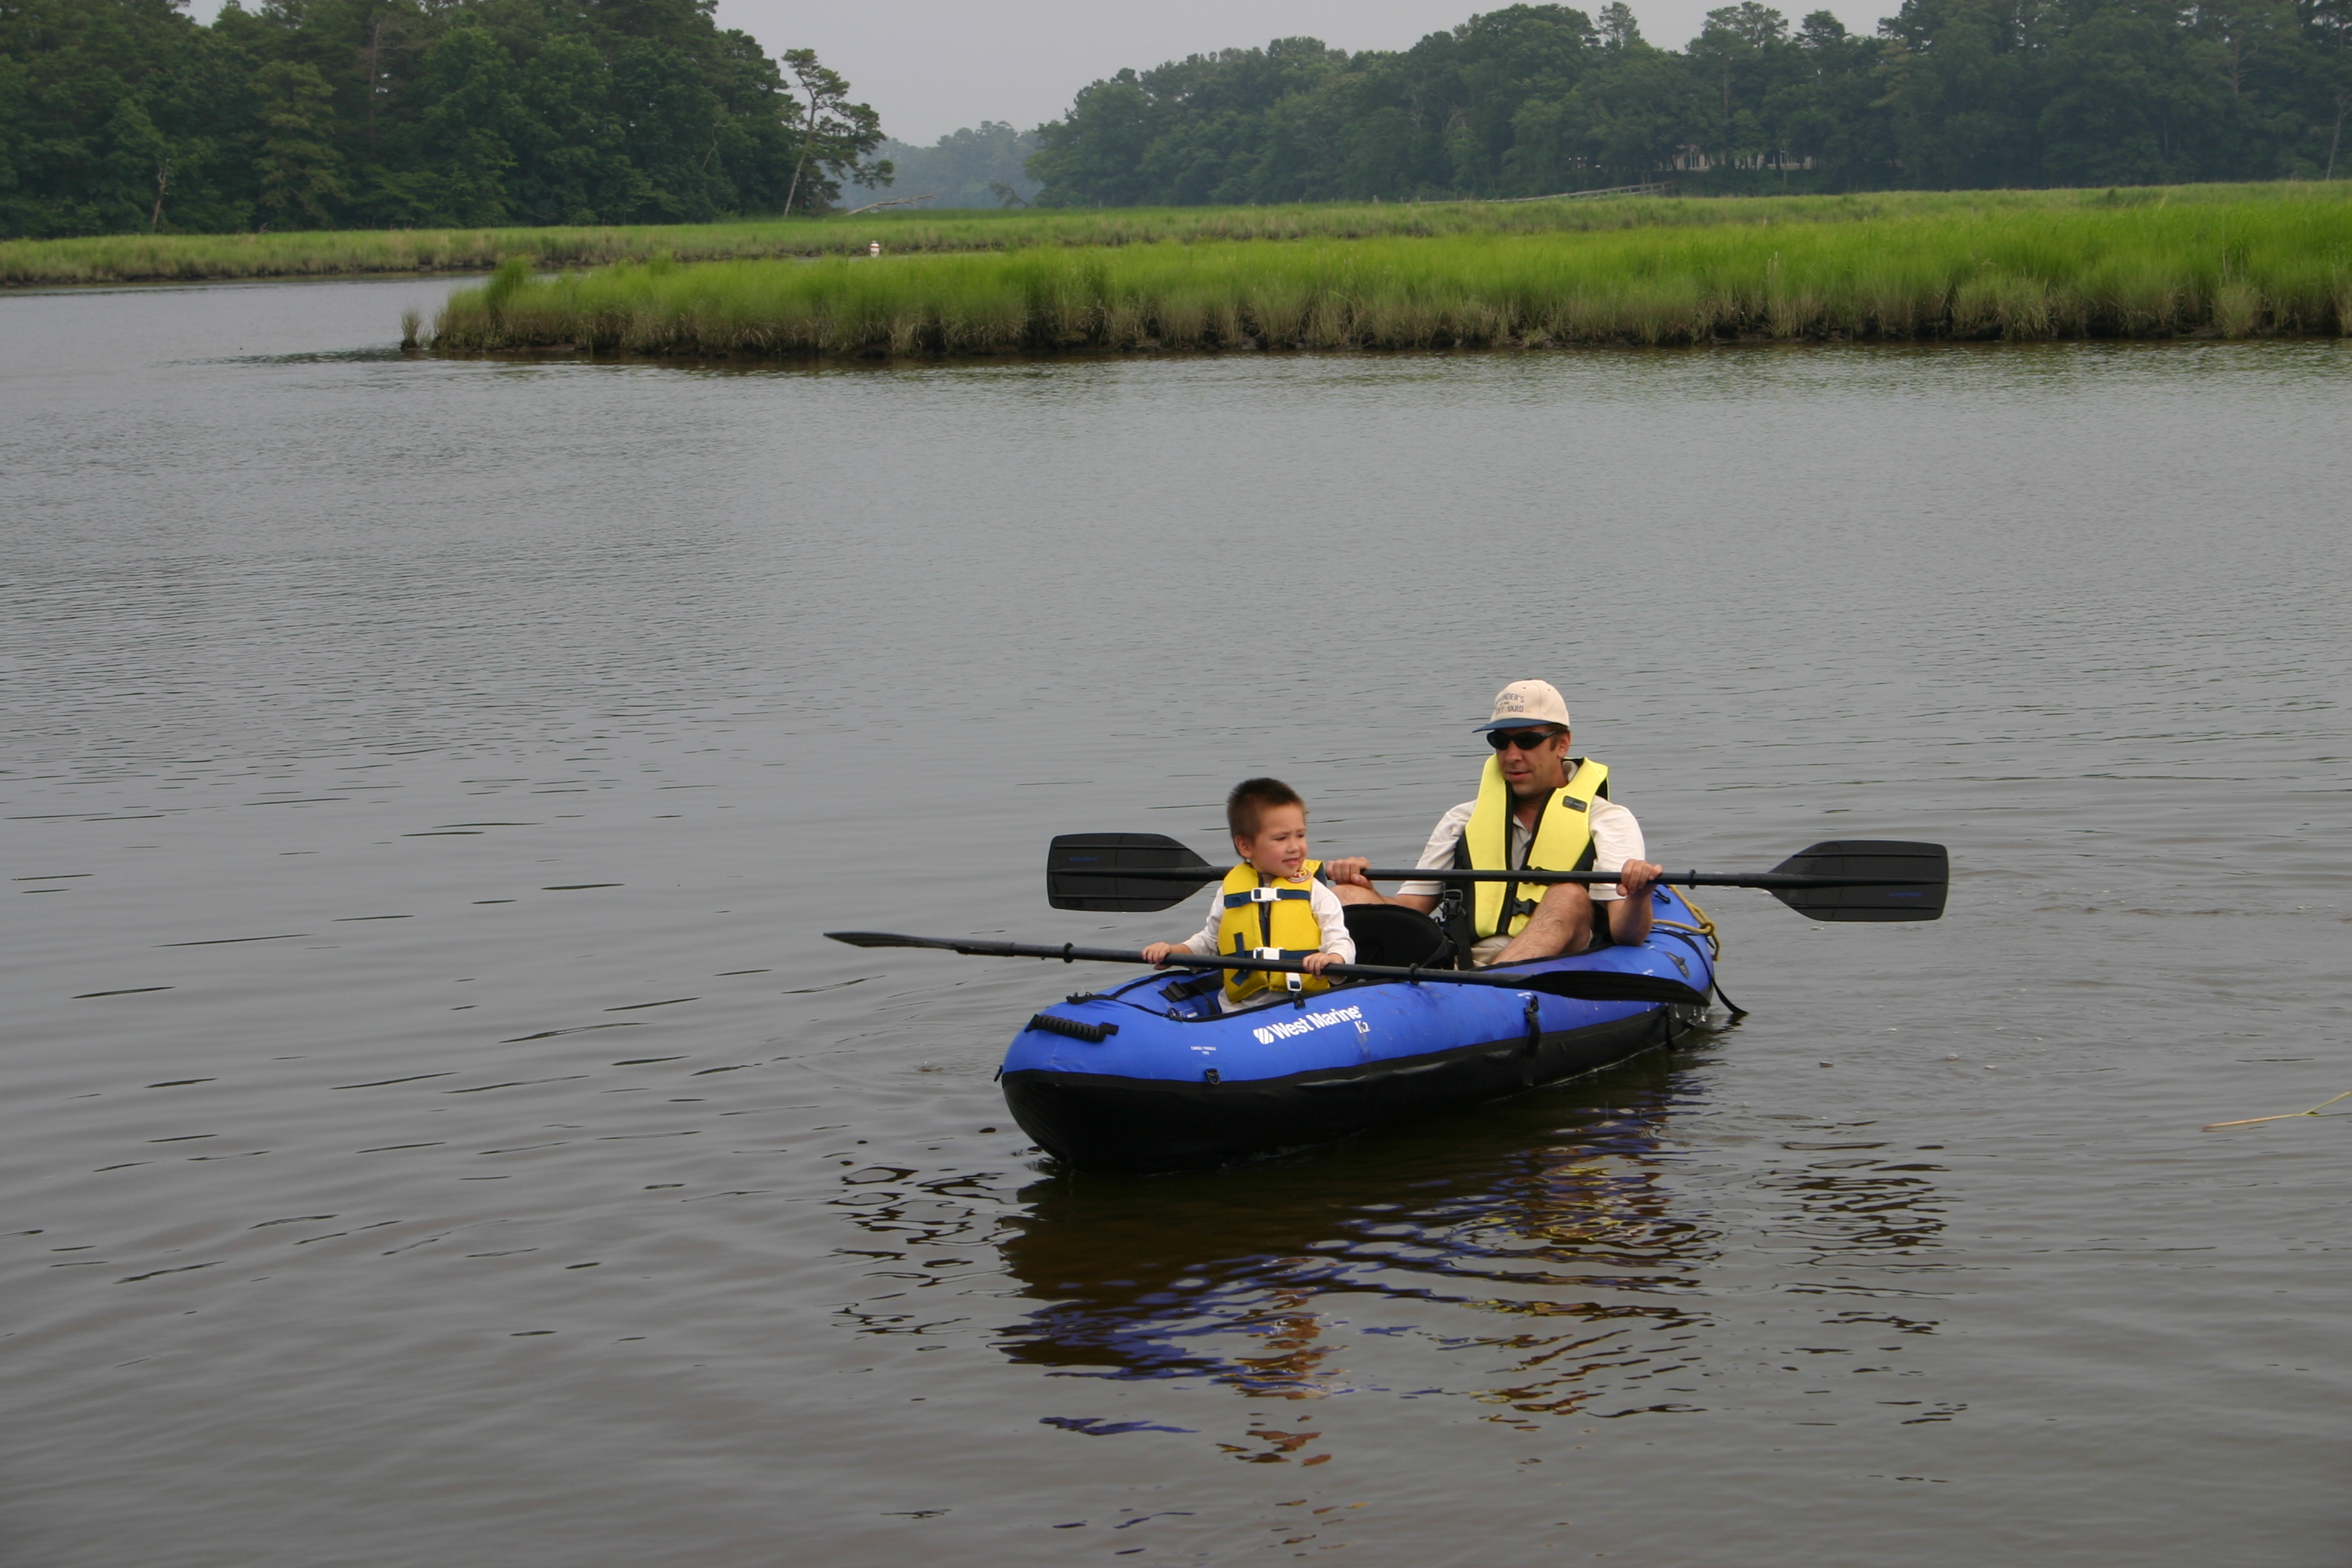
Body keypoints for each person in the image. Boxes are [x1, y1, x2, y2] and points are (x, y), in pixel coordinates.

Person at [1326, 680, 1664, 965]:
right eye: (1501, 742)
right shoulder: (1462, 819)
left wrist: (1638, 896)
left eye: (1527, 741)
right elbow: (1410, 911)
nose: (1512, 755)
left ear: (1562, 744)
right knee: (1345, 894)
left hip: (1560, 962)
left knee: (1568, 895)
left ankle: (1489, 990)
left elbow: (1627, 934)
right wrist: (1365, 888)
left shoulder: (1607, 820)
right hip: (1462, 959)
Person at [1143, 777, 1356, 1010]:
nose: (1295, 846)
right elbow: (1209, 942)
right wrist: (1173, 951)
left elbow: (1340, 941)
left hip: (1306, 1007)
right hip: (1239, 1010)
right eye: (1281, 838)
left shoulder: (1316, 891)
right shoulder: (1229, 891)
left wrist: (1332, 959)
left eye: (1300, 835)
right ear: (1245, 846)